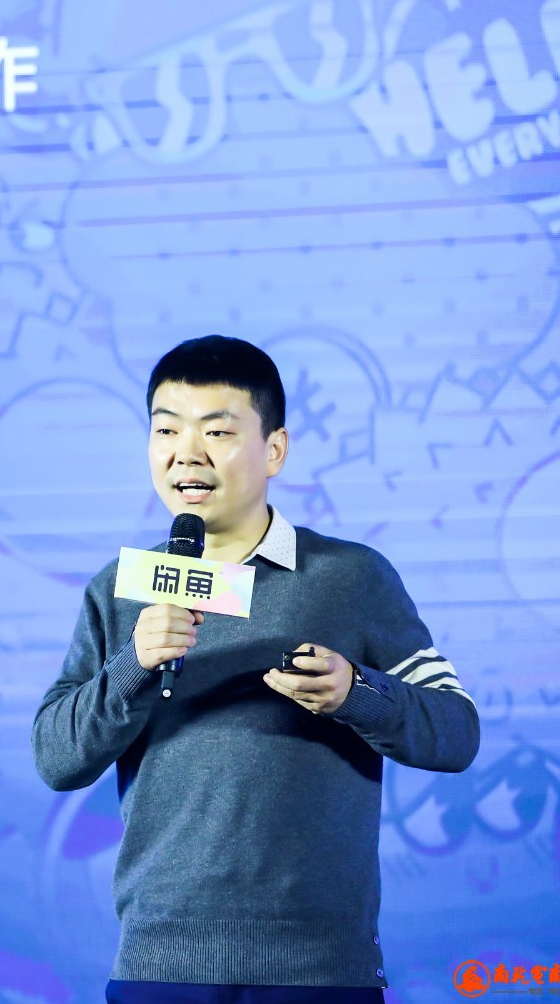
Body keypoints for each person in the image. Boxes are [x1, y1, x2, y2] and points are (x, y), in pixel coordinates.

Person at [31, 335, 481, 1004]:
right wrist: (134, 664)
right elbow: (56, 758)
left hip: (319, 968)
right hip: (160, 964)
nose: (187, 453)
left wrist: (357, 693)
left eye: (217, 431)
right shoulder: (120, 590)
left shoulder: (349, 576)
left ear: (274, 449)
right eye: (166, 430)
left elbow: (457, 731)